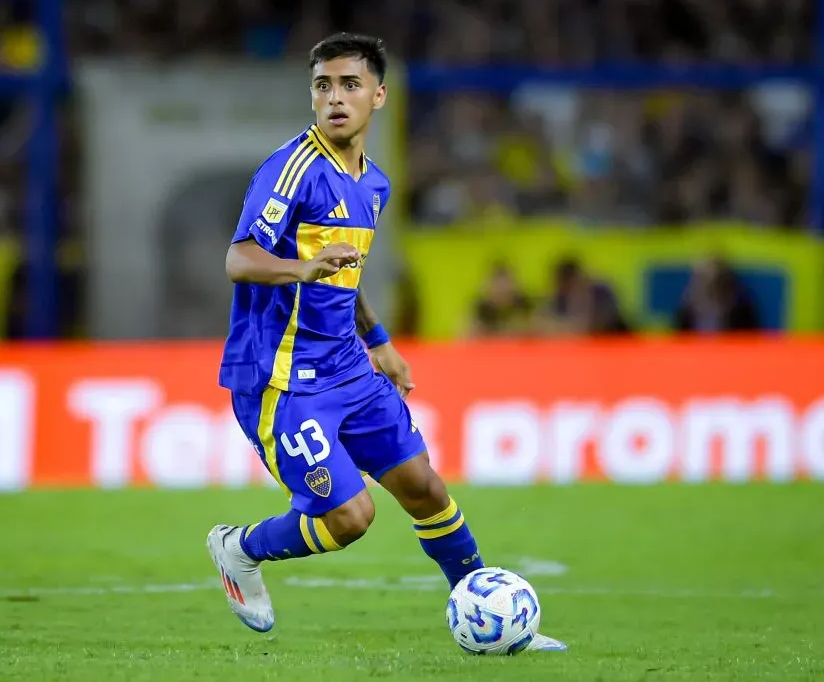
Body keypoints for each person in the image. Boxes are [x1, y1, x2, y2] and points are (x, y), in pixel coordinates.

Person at [211, 32, 566, 652]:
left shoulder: (373, 184)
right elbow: (240, 259)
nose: (335, 97)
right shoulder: (292, 171)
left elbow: (347, 274)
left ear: (379, 95)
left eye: (350, 85)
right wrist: (302, 269)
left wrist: (378, 340)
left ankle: (491, 615)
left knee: (425, 487)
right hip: (281, 377)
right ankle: (239, 548)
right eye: (323, 85)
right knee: (351, 518)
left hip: (348, 367)